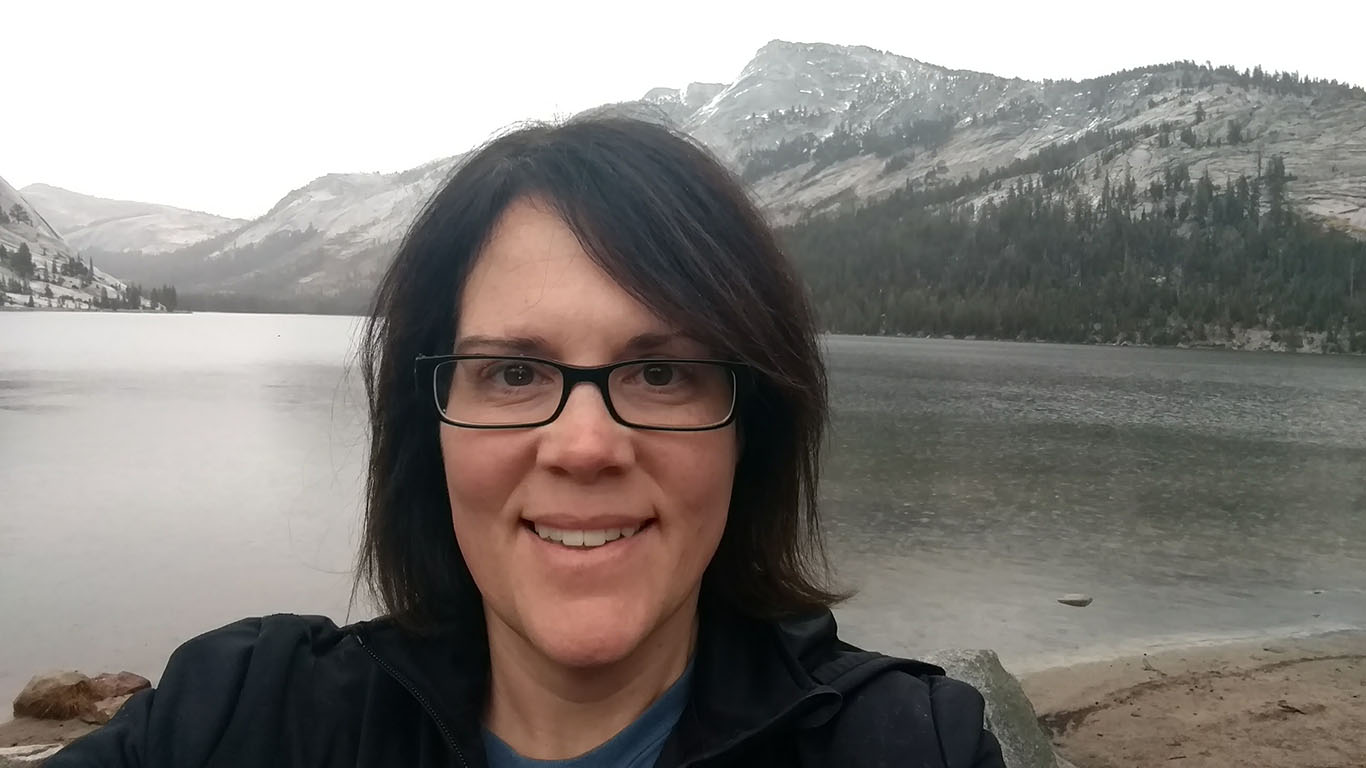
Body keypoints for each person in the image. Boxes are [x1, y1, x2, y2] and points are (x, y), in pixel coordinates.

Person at [49, 116, 1005, 768]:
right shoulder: (247, 718)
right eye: (513, 373)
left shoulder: (908, 746)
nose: (584, 446)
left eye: (661, 373)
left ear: (748, 430)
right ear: (428, 428)